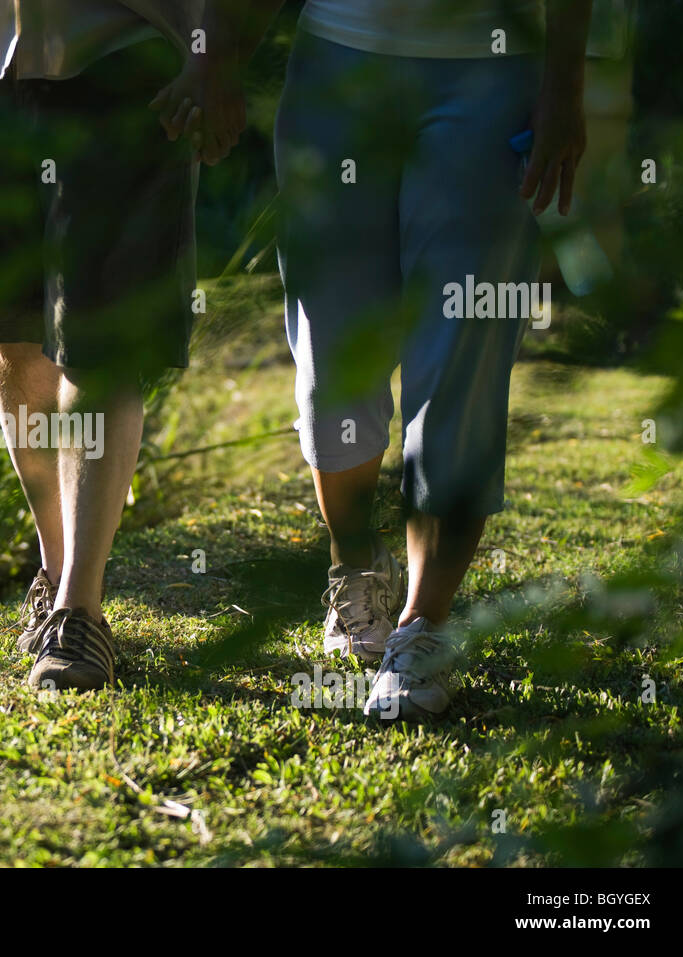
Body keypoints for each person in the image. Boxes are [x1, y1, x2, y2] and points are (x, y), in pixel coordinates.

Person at [157, 0, 593, 718]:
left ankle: (426, 624)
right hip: (337, 69)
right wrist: (212, 58)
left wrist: (565, 89)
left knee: (461, 350)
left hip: (492, 74)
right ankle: (356, 565)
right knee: (331, 350)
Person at [0, 1, 241, 690]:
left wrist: (213, 55)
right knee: (13, 333)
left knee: (99, 340)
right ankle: (56, 579)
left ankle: (81, 611)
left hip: (121, 56)